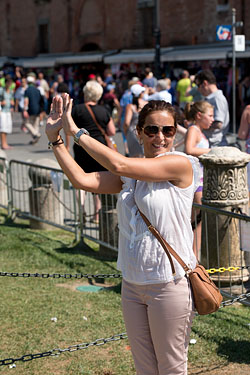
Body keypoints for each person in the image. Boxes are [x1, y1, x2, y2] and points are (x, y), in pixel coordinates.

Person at [46, 96, 200, 375]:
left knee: (171, 369)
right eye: (152, 130)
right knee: (145, 368)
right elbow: (83, 180)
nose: (160, 137)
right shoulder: (131, 174)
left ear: (176, 133)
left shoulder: (182, 164)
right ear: (139, 132)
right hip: (132, 284)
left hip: (169, 283)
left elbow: (120, 165)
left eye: (168, 130)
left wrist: (77, 132)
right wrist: (55, 140)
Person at [72, 80, 116, 224]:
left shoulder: (77, 109)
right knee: (98, 179)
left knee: (81, 179)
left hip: (81, 147)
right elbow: (112, 131)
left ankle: (81, 210)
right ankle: (97, 215)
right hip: (99, 149)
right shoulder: (104, 110)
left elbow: (69, 128)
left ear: (85, 93)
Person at [184, 101, 214, 258]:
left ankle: (194, 256)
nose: (212, 119)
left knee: (198, 220)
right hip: (196, 180)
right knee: (195, 220)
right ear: (199, 116)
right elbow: (189, 150)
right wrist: (212, 151)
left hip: (201, 178)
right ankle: (192, 257)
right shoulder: (194, 129)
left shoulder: (197, 130)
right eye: (210, 116)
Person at [195, 69, 229, 147]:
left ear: (205, 83)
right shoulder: (212, 98)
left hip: (215, 144)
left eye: (198, 85)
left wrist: (199, 127)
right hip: (212, 143)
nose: (198, 89)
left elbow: (218, 124)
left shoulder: (217, 99)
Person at [123, 84, 147, 157]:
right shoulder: (146, 104)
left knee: (134, 157)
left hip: (132, 132)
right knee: (145, 156)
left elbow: (126, 123)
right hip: (145, 131)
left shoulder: (130, 106)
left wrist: (125, 132)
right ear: (140, 94)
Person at [23, 75, 43, 144]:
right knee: (36, 125)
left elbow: (26, 100)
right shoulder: (37, 90)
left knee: (27, 123)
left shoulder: (27, 90)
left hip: (30, 109)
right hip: (38, 109)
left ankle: (36, 134)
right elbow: (41, 101)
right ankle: (35, 140)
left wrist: (25, 109)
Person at [0, 77, 14, 149]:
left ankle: (5, 143)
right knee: (3, 128)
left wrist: (12, 103)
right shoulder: (1, 90)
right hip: (2, 111)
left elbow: (11, 99)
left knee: (7, 128)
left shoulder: (11, 91)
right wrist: (1, 103)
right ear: (5, 83)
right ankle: (3, 144)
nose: (9, 84)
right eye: (8, 83)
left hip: (8, 111)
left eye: (10, 83)